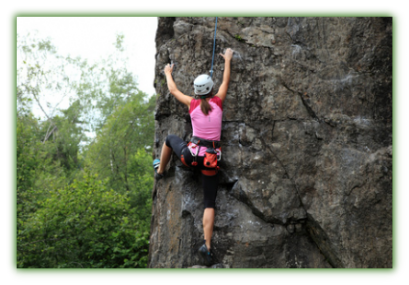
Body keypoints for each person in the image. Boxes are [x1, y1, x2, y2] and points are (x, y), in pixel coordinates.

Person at [153, 48, 233, 266]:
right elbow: (226, 80)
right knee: (209, 203)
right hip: (210, 160)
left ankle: (161, 171)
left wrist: (168, 72)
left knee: (170, 138)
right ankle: (206, 246)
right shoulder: (218, 101)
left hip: (191, 156)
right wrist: (227, 60)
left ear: (197, 91)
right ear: (210, 89)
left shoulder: (192, 103)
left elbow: (173, 90)